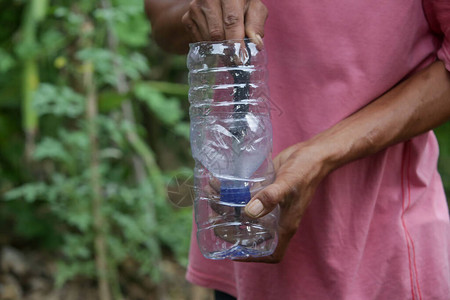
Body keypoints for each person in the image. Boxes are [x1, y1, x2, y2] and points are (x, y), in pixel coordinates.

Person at [145, 1, 450, 299]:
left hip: (375, 258)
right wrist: (209, 12)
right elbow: (162, 21)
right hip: (233, 252)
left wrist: (321, 155)